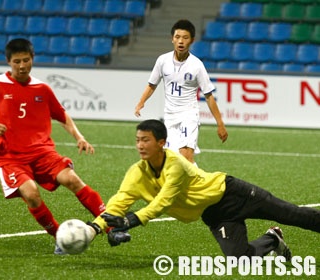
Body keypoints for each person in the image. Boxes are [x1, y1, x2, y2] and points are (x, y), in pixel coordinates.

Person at [88, 119, 320, 259]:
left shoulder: (176, 163)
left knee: (295, 215)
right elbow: (120, 201)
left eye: (145, 140)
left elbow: (164, 202)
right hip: (215, 215)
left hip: (233, 194)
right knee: (239, 260)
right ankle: (273, 239)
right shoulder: (136, 172)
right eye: (138, 140)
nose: (140, 145)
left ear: (161, 143)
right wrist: (94, 228)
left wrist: (131, 221)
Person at [0, 38, 106, 254]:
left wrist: (79, 137)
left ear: (32, 58)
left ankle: (110, 227)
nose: (22, 65)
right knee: (31, 193)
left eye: (26, 60)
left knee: (72, 179)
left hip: (43, 152)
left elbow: (62, 115)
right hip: (11, 157)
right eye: (17, 61)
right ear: (8, 61)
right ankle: (59, 238)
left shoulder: (42, 88)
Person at [134, 19, 228, 165]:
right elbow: (152, 84)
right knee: (172, 160)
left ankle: (198, 186)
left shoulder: (196, 65)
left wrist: (220, 123)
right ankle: (195, 182)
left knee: (186, 156)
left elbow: (209, 96)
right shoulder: (162, 60)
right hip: (169, 118)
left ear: (192, 41)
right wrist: (141, 103)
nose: (181, 41)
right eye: (177, 37)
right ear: (172, 39)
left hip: (188, 115)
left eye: (185, 38)